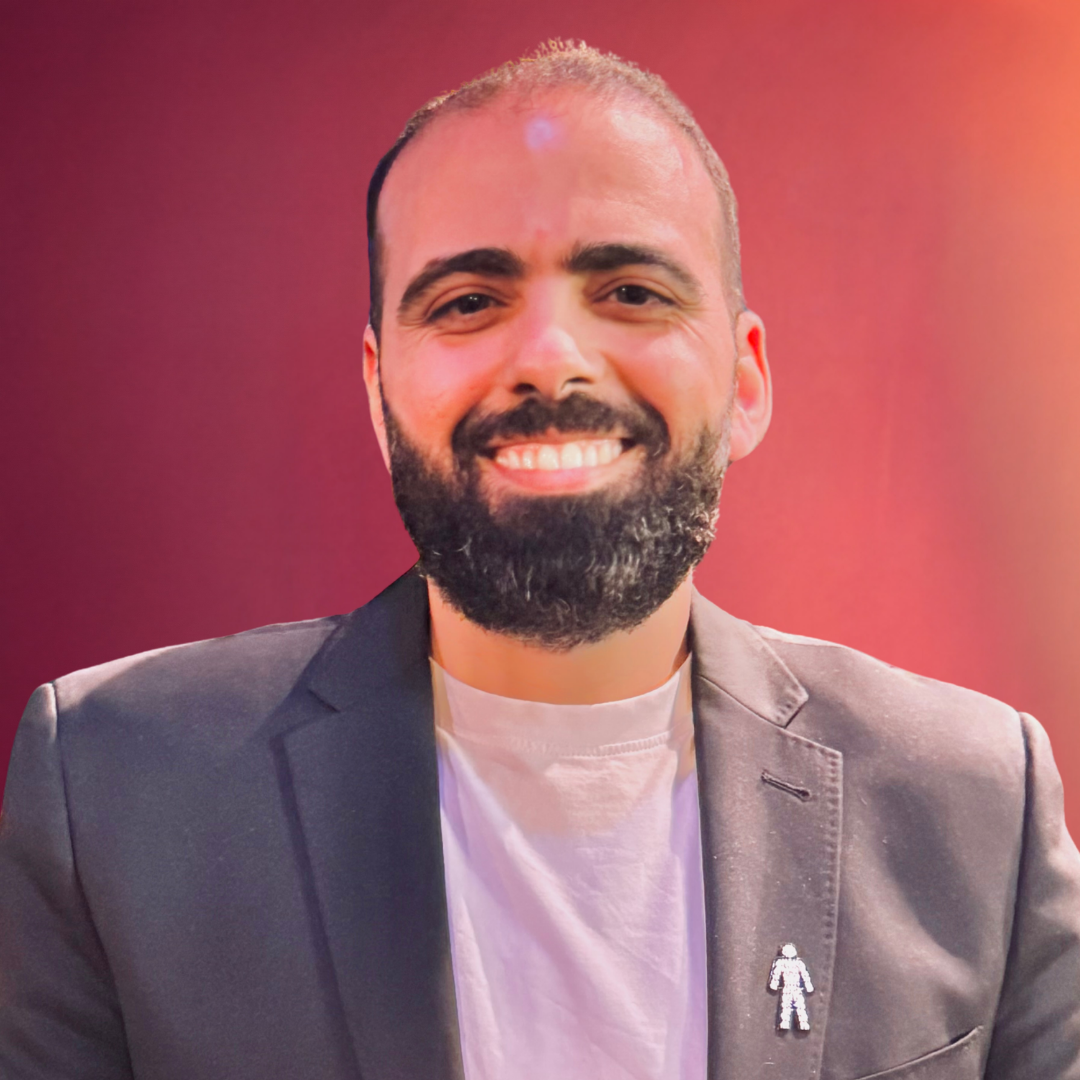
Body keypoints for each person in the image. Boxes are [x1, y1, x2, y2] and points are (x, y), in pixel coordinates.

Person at [1, 41, 1078, 1080]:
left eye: (631, 292)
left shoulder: (978, 802)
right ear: (379, 394)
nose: (551, 358)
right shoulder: (111, 786)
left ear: (745, 381)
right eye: (469, 303)